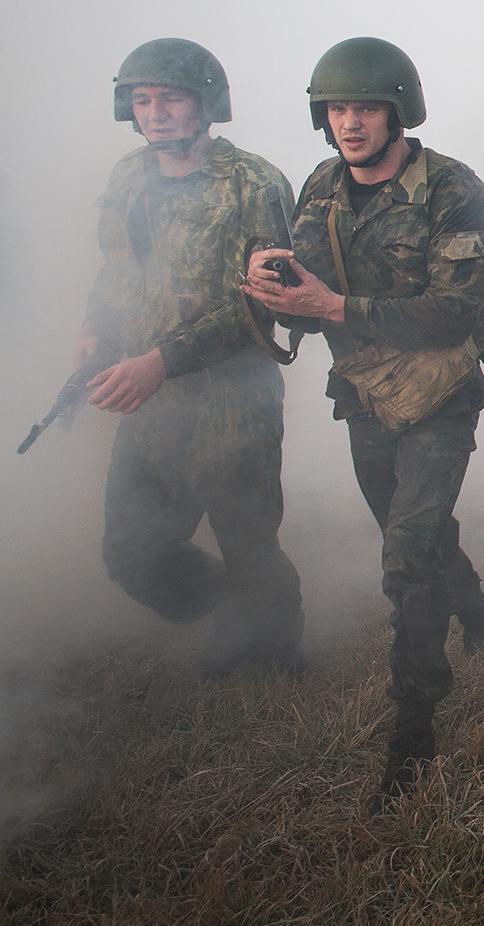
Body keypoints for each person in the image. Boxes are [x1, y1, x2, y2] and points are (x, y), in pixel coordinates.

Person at [243, 36, 484, 804]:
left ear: (399, 111)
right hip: (363, 394)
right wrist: (276, 286)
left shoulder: (452, 188)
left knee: (406, 554)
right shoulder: (322, 185)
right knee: (413, 524)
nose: (350, 122)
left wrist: (335, 307)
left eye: (366, 107)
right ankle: (480, 609)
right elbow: (308, 282)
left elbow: (454, 306)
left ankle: (414, 723)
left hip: (438, 392)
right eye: (336, 109)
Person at [77, 40, 304, 677]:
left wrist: (162, 360)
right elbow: (116, 265)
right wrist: (93, 327)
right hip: (148, 399)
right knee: (131, 553)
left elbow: (269, 306)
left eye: (171, 97)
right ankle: (233, 608)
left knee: (249, 543)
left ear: (207, 103)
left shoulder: (253, 183)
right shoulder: (127, 175)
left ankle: (275, 654)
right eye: (142, 100)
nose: (156, 113)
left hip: (233, 401)